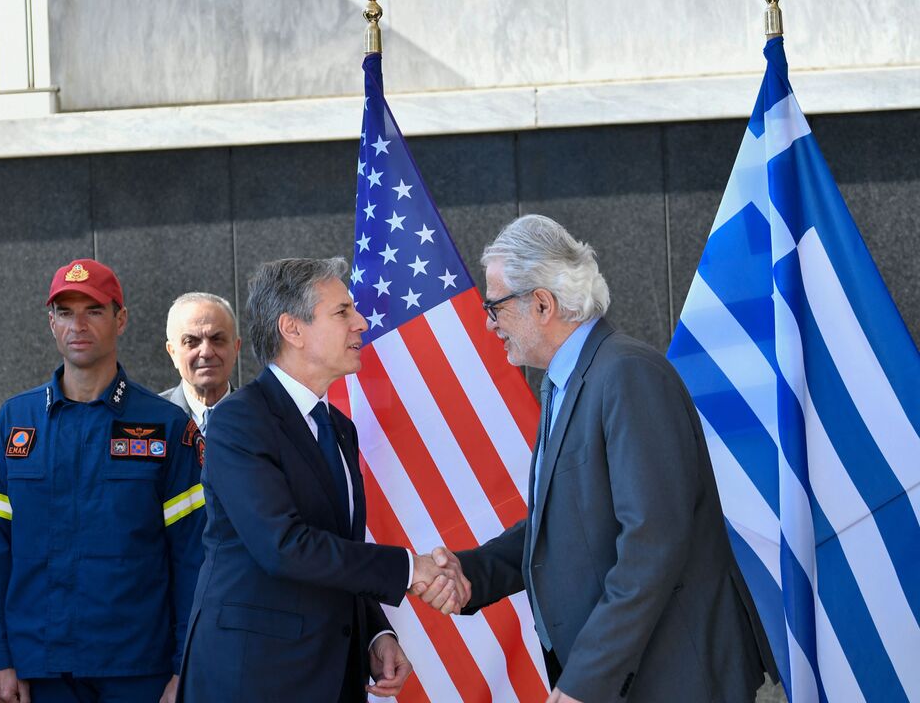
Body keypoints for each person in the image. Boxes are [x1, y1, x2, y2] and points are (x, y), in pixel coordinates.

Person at [420, 215, 774, 702]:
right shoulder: (568, 381)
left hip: (673, 678)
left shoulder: (628, 374)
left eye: (494, 306)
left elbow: (651, 546)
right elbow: (563, 526)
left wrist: (586, 680)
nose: (488, 322)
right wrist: (471, 573)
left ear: (542, 303)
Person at [178, 257, 461, 703]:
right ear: (293, 329)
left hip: (331, 677)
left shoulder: (338, 428)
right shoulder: (239, 421)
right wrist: (410, 568)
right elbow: (284, 546)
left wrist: (374, 633)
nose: (361, 322)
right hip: (253, 680)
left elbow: (333, 549)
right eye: (343, 312)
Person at [0, 258, 206, 703]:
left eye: (94, 310)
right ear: (51, 323)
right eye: (65, 312)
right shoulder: (16, 421)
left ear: (121, 320)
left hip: (138, 669)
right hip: (38, 669)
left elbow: (193, 557)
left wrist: (184, 667)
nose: (77, 325)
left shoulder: (165, 426)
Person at [160, 292, 241, 435]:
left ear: (236, 347)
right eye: (191, 341)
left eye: (217, 339)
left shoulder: (266, 418)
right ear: (172, 352)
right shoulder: (149, 417)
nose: (206, 352)